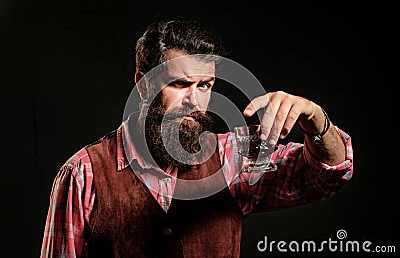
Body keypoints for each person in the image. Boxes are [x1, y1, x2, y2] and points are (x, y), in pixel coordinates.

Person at [40, 17, 353, 258]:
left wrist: (315, 120)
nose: (194, 101)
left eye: (205, 86)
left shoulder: (232, 160)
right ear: (143, 84)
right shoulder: (84, 174)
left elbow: (327, 174)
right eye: (180, 84)